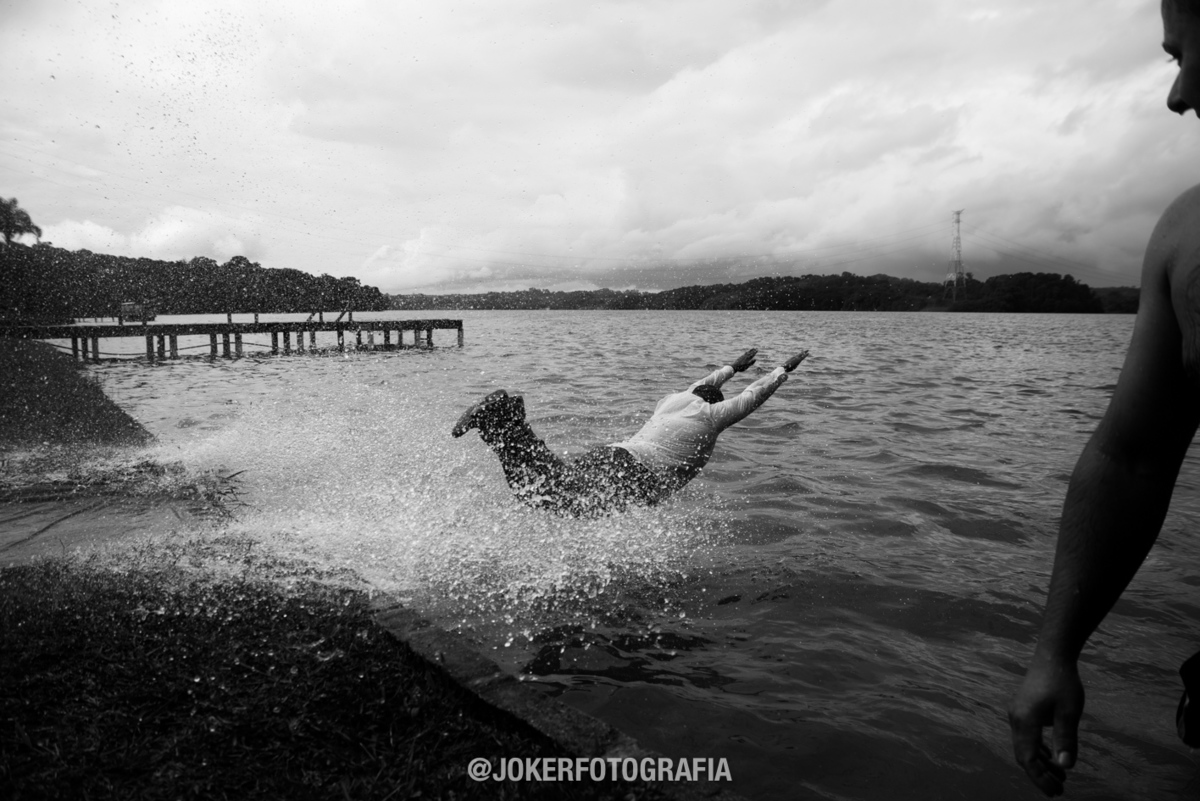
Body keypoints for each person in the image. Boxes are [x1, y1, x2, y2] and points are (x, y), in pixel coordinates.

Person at [1007, 2, 1200, 795]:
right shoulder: (1187, 236)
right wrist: (1057, 647)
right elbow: (1132, 456)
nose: (1179, 94)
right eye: (1172, 58)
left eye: (1195, 52)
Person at [451, 348, 810, 517]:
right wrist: (783, 369)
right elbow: (753, 396)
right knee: (551, 497)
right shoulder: (711, 418)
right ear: (712, 404)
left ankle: (506, 420)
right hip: (634, 474)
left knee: (550, 486)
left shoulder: (674, 400)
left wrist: (733, 366)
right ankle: (502, 419)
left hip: (614, 456)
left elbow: (705, 382)